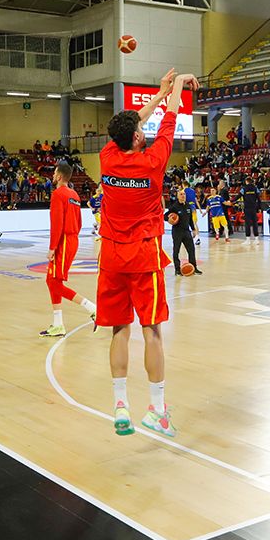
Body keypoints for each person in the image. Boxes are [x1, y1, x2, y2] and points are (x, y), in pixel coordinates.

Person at [97, 69, 195, 438]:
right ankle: (156, 410)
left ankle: (120, 405)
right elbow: (170, 117)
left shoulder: (108, 157)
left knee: (119, 330)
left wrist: (158, 92)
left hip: (111, 257)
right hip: (144, 256)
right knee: (151, 331)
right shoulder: (153, 163)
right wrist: (178, 86)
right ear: (138, 137)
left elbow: (129, 123)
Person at [39, 163, 97, 336]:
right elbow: (79, 222)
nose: (53, 175)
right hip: (72, 239)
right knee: (52, 281)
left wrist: (52, 248)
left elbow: (56, 224)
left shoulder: (58, 194)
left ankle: (92, 308)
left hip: (63, 241)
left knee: (53, 282)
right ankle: (58, 324)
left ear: (59, 176)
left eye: (55, 172)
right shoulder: (74, 195)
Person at [165, 189, 201, 278]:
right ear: (178, 196)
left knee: (191, 250)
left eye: (184, 194)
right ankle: (177, 270)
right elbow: (165, 216)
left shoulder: (188, 206)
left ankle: (194, 267)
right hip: (177, 232)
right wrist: (168, 219)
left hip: (186, 231)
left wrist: (193, 229)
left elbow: (190, 220)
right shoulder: (174, 206)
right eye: (181, 194)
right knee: (176, 250)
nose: (183, 196)